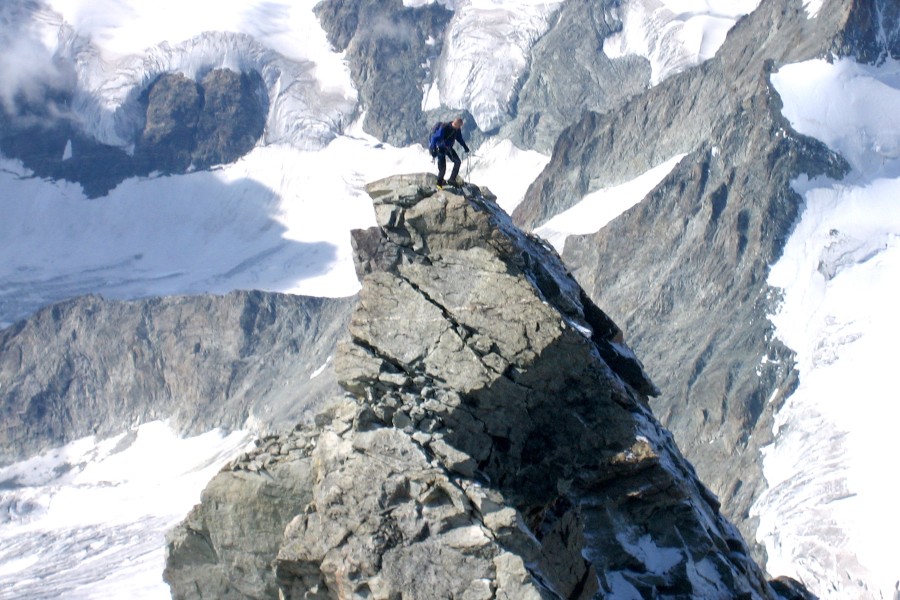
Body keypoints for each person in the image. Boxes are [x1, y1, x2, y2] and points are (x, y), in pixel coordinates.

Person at [433, 117, 470, 187]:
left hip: (448, 148)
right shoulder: (445, 127)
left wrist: (465, 146)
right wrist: (433, 148)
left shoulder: (456, 130)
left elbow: (459, 138)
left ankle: (451, 180)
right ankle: (439, 184)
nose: (460, 127)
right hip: (440, 148)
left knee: (457, 162)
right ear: (456, 124)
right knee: (442, 168)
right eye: (460, 126)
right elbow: (435, 138)